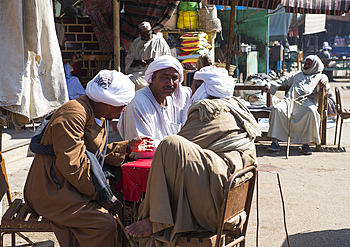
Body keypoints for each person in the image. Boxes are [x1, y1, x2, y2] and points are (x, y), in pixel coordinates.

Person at [125, 66, 260, 247]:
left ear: (203, 88)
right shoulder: (236, 106)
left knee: (170, 145)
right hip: (235, 205)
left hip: (217, 205)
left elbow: (177, 148)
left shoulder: (209, 110)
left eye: (194, 86)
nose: (191, 91)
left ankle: (156, 219)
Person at [24, 70, 154, 247]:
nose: (124, 109)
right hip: (52, 190)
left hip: (72, 184)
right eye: (122, 105)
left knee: (125, 203)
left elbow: (94, 152)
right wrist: (103, 196)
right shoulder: (74, 113)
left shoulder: (97, 113)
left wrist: (127, 147)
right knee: (103, 224)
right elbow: (72, 164)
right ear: (109, 103)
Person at [118, 55, 191, 158]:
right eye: (164, 77)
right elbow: (144, 149)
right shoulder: (138, 103)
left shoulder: (176, 100)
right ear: (152, 78)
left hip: (172, 158)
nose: (170, 83)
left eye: (174, 78)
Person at [263, 55, 330, 155]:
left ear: (315, 65)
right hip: (290, 101)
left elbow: (326, 85)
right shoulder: (297, 75)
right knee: (277, 109)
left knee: (311, 112)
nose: (306, 65)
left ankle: (305, 144)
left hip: (307, 103)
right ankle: (275, 142)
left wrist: (324, 84)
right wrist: (269, 85)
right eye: (305, 63)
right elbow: (283, 81)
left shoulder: (320, 76)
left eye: (309, 64)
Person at [125, 21, 171, 90]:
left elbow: (168, 59)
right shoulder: (136, 43)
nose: (146, 36)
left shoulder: (160, 41)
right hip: (139, 73)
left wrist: (155, 62)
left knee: (158, 81)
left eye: (148, 34)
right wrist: (139, 62)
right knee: (130, 79)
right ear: (140, 34)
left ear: (151, 31)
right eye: (144, 35)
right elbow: (129, 61)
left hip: (156, 72)